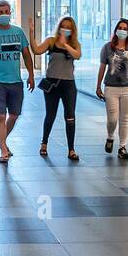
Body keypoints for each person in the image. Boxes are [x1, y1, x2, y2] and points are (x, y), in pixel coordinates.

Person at [0, 0, 34, 164]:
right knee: (0, 116)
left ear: (10, 13)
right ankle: (3, 149)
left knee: (14, 115)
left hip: (15, 81)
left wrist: (31, 75)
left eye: (6, 12)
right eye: (0, 12)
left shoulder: (18, 33)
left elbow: (26, 54)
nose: (3, 15)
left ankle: (1, 140)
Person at [29, 15, 81, 161]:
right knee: (50, 114)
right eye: (63, 26)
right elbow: (37, 50)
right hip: (52, 83)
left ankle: (71, 149)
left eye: (69, 28)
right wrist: (31, 33)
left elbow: (77, 55)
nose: (65, 30)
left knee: (70, 116)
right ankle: (44, 143)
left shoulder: (75, 44)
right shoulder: (51, 41)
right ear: (59, 27)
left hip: (68, 84)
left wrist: (65, 45)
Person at [96, 17, 128, 159]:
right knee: (112, 119)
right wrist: (98, 86)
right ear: (116, 30)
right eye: (120, 28)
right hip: (111, 88)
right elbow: (102, 67)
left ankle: (122, 147)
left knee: (124, 118)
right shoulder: (107, 47)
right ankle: (110, 136)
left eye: (125, 29)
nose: (122, 31)